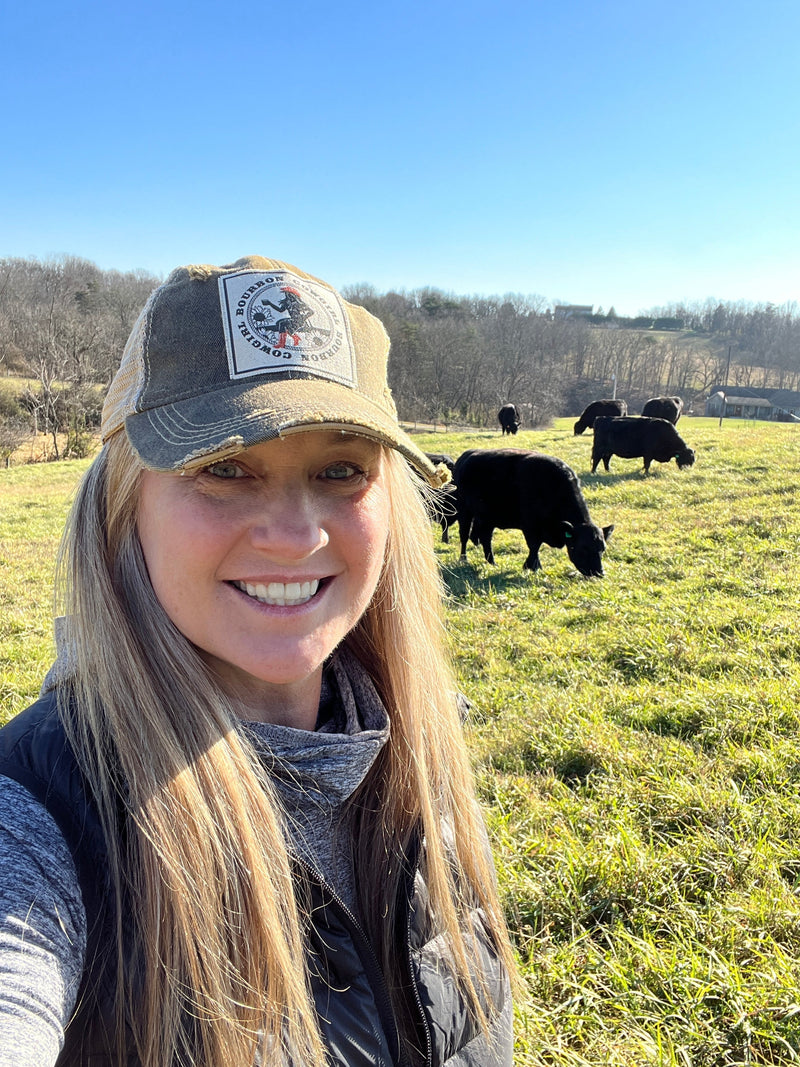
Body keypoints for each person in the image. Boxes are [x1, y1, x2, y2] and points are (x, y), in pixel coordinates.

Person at [0, 255, 515, 1067]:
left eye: (341, 469)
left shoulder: (417, 743)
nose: (295, 532)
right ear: (125, 506)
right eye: (224, 468)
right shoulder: (40, 818)